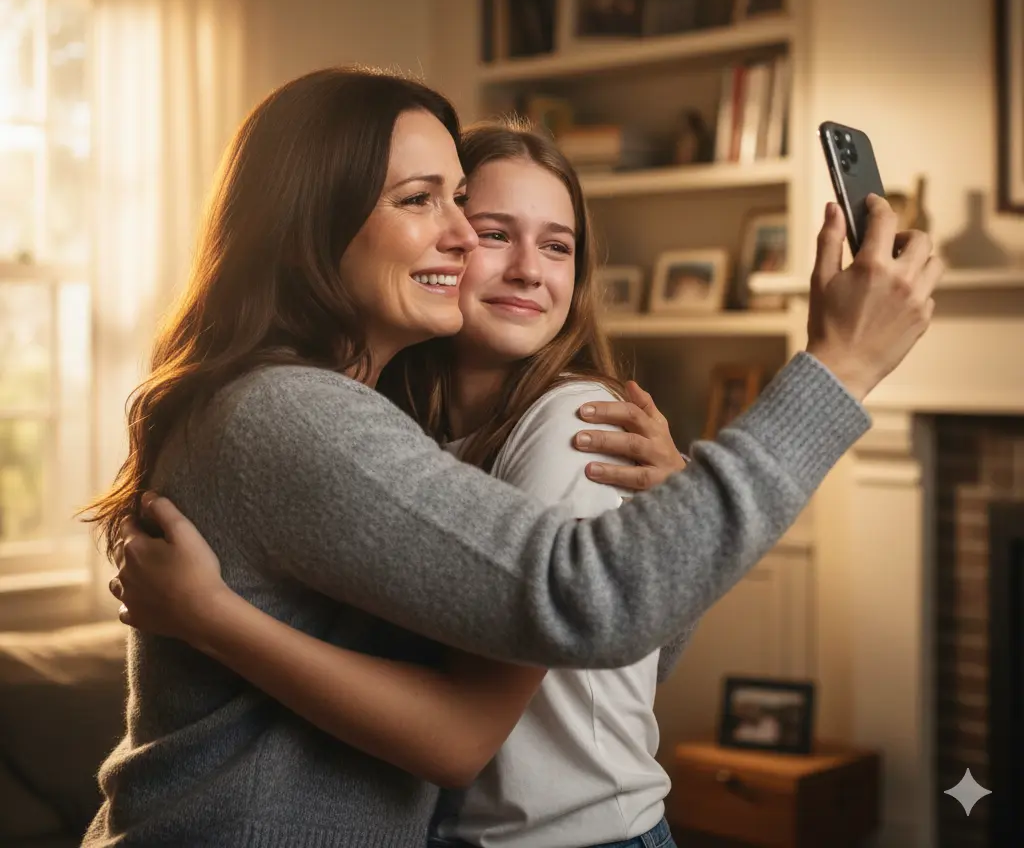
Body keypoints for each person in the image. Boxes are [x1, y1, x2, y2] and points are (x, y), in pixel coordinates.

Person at [84, 66, 941, 847]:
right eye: (427, 201)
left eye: (463, 205)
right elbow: (581, 610)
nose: (463, 240)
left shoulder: (480, 418)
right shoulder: (297, 413)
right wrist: (839, 369)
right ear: (315, 220)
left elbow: (606, 655)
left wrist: (672, 510)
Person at [109, 121, 692, 848]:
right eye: (492, 233)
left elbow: (606, 628)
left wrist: (682, 516)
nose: (528, 270)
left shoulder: (576, 421)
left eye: (557, 246)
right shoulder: (384, 428)